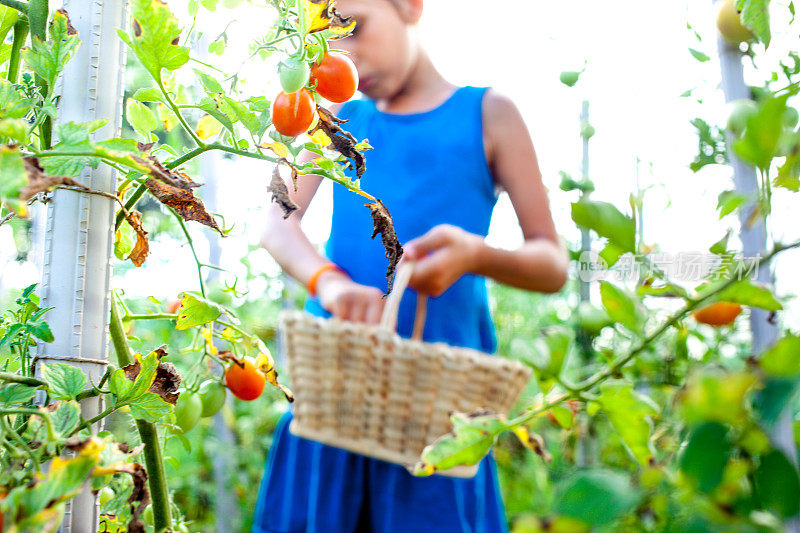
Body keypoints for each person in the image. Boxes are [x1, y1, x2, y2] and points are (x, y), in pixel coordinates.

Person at [253, 0, 568, 531]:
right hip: (334, 402)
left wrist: (476, 255)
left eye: (354, 27)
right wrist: (327, 283)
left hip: (439, 420)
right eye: (327, 42)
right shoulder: (330, 117)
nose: (343, 57)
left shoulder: (489, 114)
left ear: (409, 6)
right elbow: (275, 224)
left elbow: (551, 262)